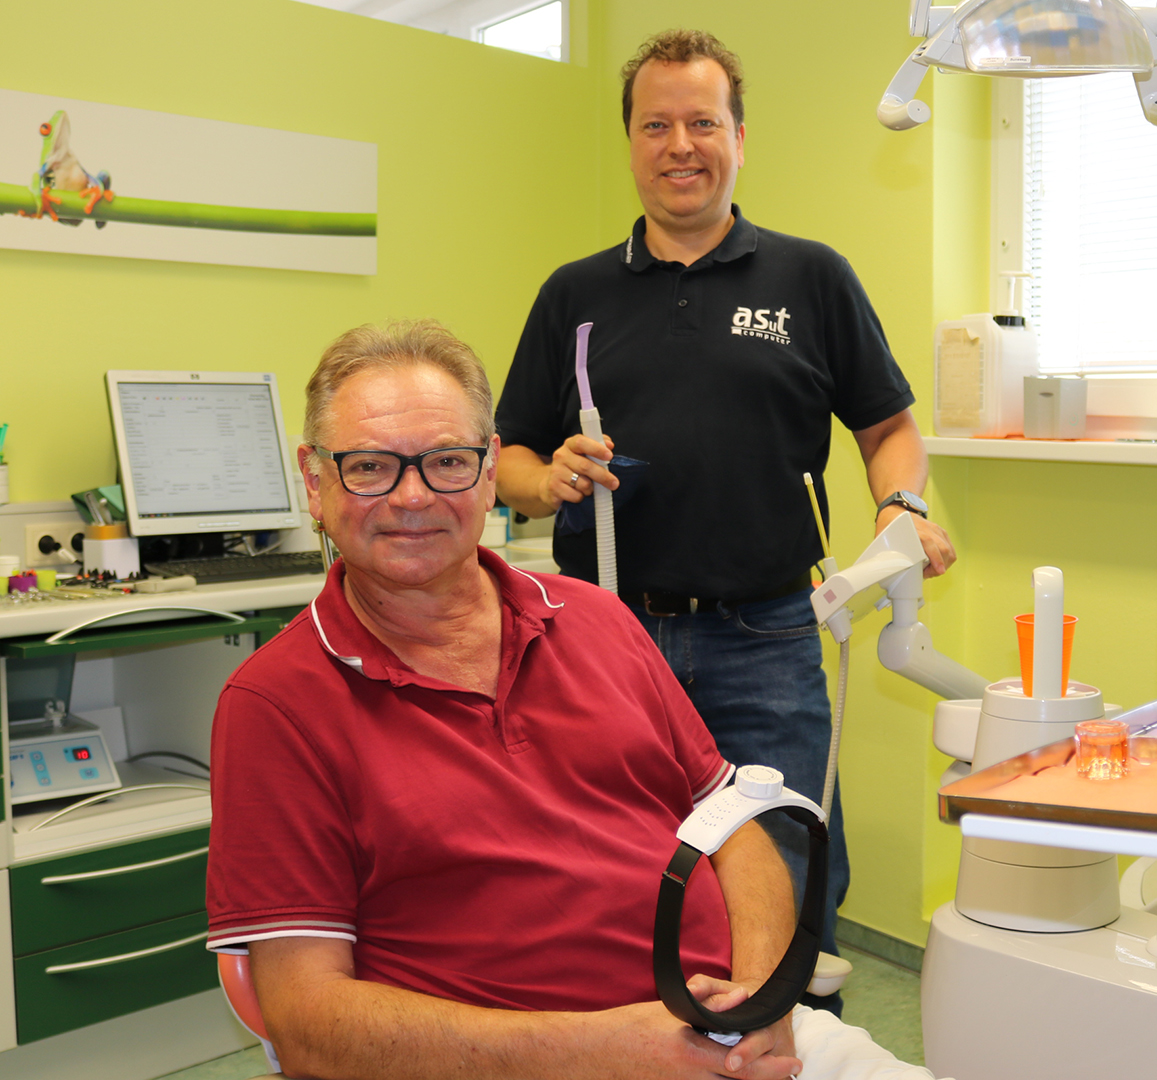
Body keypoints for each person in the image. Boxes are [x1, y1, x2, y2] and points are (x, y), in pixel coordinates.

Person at [206, 320, 944, 1080]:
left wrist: (765, 1000)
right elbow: (307, 1025)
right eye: (369, 467)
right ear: (314, 479)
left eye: (448, 462)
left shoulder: (595, 621)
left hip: (731, 1038)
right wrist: (610, 1053)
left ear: (491, 469)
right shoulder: (278, 704)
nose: (413, 497)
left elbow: (735, 823)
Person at [494, 29, 956, 989]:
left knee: (782, 863)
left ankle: (785, 1031)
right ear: (630, 143)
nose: (680, 145)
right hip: (608, 636)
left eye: (703, 122)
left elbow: (889, 431)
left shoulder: (811, 277)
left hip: (771, 634)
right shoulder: (572, 296)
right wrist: (552, 481)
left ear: (739, 138)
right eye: (656, 124)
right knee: (617, 859)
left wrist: (900, 505)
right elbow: (507, 457)